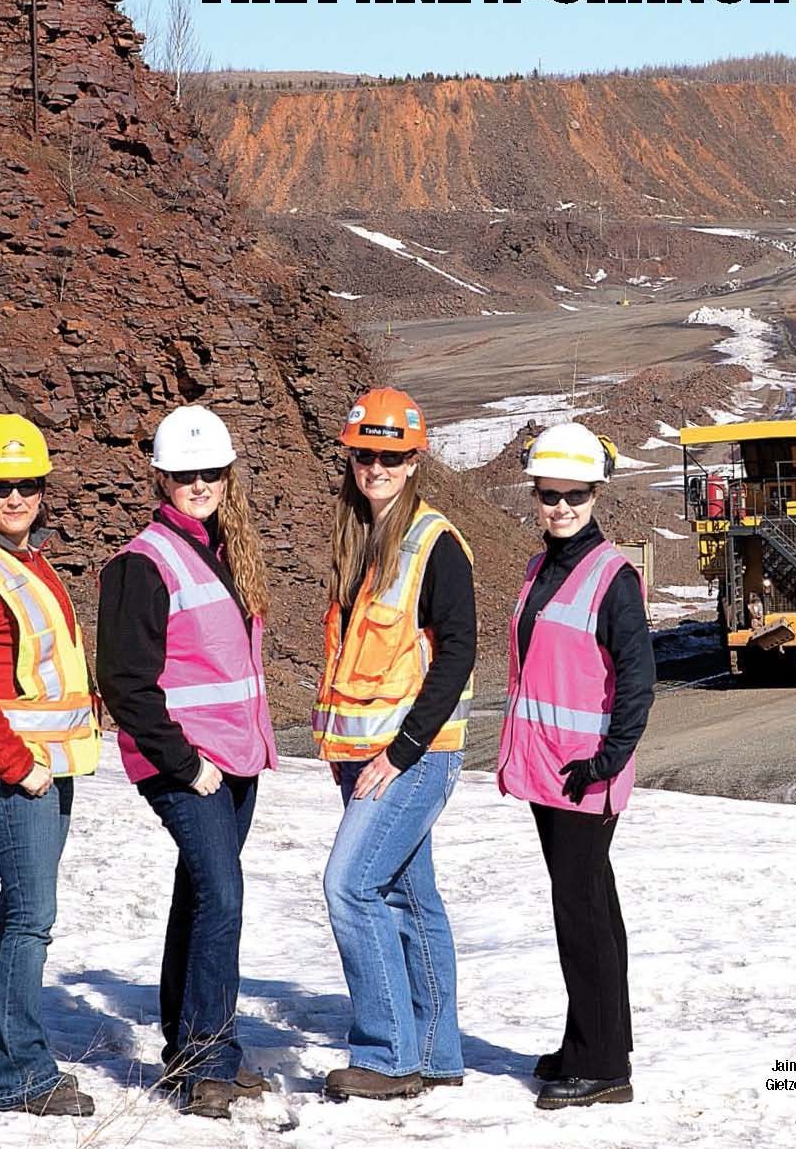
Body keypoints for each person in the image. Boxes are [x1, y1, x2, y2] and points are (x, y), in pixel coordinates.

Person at [96, 404, 277, 1121]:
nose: (198, 483)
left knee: (202, 895)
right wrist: (182, 762)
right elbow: (124, 680)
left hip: (237, 757)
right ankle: (209, 1058)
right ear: (161, 478)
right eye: (184, 474)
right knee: (223, 895)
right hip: (189, 765)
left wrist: (244, 753)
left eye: (210, 472)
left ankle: (189, 1048)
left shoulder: (228, 550)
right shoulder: (144, 562)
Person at [314, 388, 476, 1102]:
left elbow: (459, 653)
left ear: (414, 462)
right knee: (412, 901)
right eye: (365, 454)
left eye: (391, 456)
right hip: (365, 755)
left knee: (350, 887)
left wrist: (400, 754)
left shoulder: (434, 541)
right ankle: (437, 1054)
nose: (375, 467)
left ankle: (386, 1055)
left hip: (411, 755)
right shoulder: (361, 537)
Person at [0, 414, 101, 1117]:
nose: (16, 496)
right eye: (2, 484)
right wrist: (16, 765)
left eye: (27, 483)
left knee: (19, 913)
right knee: (33, 916)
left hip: (45, 767)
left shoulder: (30, 565)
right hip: (14, 771)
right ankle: (24, 1076)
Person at [497, 421, 655, 1111]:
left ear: (596, 495)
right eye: (550, 494)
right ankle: (594, 1041)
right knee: (594, 908)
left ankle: (602, 1068)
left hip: (583, 775)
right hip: (549, 772)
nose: (562, 506)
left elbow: (637, 681)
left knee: (581, 914)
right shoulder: (542, 568)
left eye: (576, 495)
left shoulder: (612, 575)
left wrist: (607, 761)